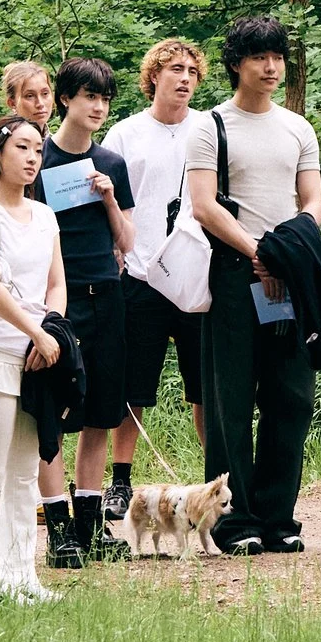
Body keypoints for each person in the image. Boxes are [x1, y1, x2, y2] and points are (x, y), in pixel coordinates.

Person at [187, 15, 321, 555]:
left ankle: (277, 516)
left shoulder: (297, 127)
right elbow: (204, 205)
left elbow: (312, 203)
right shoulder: (210, 126)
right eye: (259, 58)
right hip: (233, 272)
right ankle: (233, 518)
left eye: (277, 57)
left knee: (291, 395)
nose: (271, 67)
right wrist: (256, 252)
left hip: (289, 276)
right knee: (230, 399)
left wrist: (286, 252)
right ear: (236, 65)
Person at [0, 115, 68, 600]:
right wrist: (33, 334)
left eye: (38, 150)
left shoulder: (45, 216)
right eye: (21, 148)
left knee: (25, 475)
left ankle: (23, 574)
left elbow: (56, 284)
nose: (31, 158)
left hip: (37, 357)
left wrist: (49, 333)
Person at [46, 58, 138, 566]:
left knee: (102, 413)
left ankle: (90, 527)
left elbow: (128, 240)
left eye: (105, 98)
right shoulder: (37, 157)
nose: (99, 107)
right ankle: (58, 532)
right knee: (58, 416)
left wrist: (106, 199)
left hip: (108, 292)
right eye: (89, 97)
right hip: (60, 301)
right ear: (66, 100)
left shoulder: (112, 164)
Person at [104, 39, 209, 469]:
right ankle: (121, 478)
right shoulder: (125, 134)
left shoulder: (208, 128)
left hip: (195, 275)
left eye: (191, 72)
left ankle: (218, 474)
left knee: (205, 386)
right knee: (134, 385)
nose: (184, 78)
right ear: (154, 77)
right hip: (140, 272)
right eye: (175, 70)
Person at [0, 61, 54, 200]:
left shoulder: (58, 146)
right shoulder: (0, 153)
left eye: (45, 93)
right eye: (29, 96)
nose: (40, 103)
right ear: (12, 103)